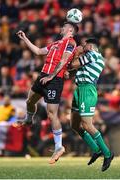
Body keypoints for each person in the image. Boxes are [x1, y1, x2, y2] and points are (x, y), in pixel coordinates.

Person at [16, 22, 77, 164]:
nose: (61, 28)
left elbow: (63, 60)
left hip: (55, 79)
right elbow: (38, 51)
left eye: (64, 26)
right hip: (43, 75)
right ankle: (29, 119)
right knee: (29, 101)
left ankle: (58, 146)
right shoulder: (55, 43)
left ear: (70, 30)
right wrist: (25, 39)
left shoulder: (71, 42)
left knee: (51, 113)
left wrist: (52, 75)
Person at [70, 37, 114, 171]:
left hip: (87, 90)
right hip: (80, 89)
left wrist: (76, 53)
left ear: (90, 46)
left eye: (84, 45)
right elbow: (77, 68)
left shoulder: (93, 55)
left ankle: (107, 153)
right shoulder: (91, 57)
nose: (82, 47)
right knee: (75, 125)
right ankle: (96, 149)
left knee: (87, 125)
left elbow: (73, 64)